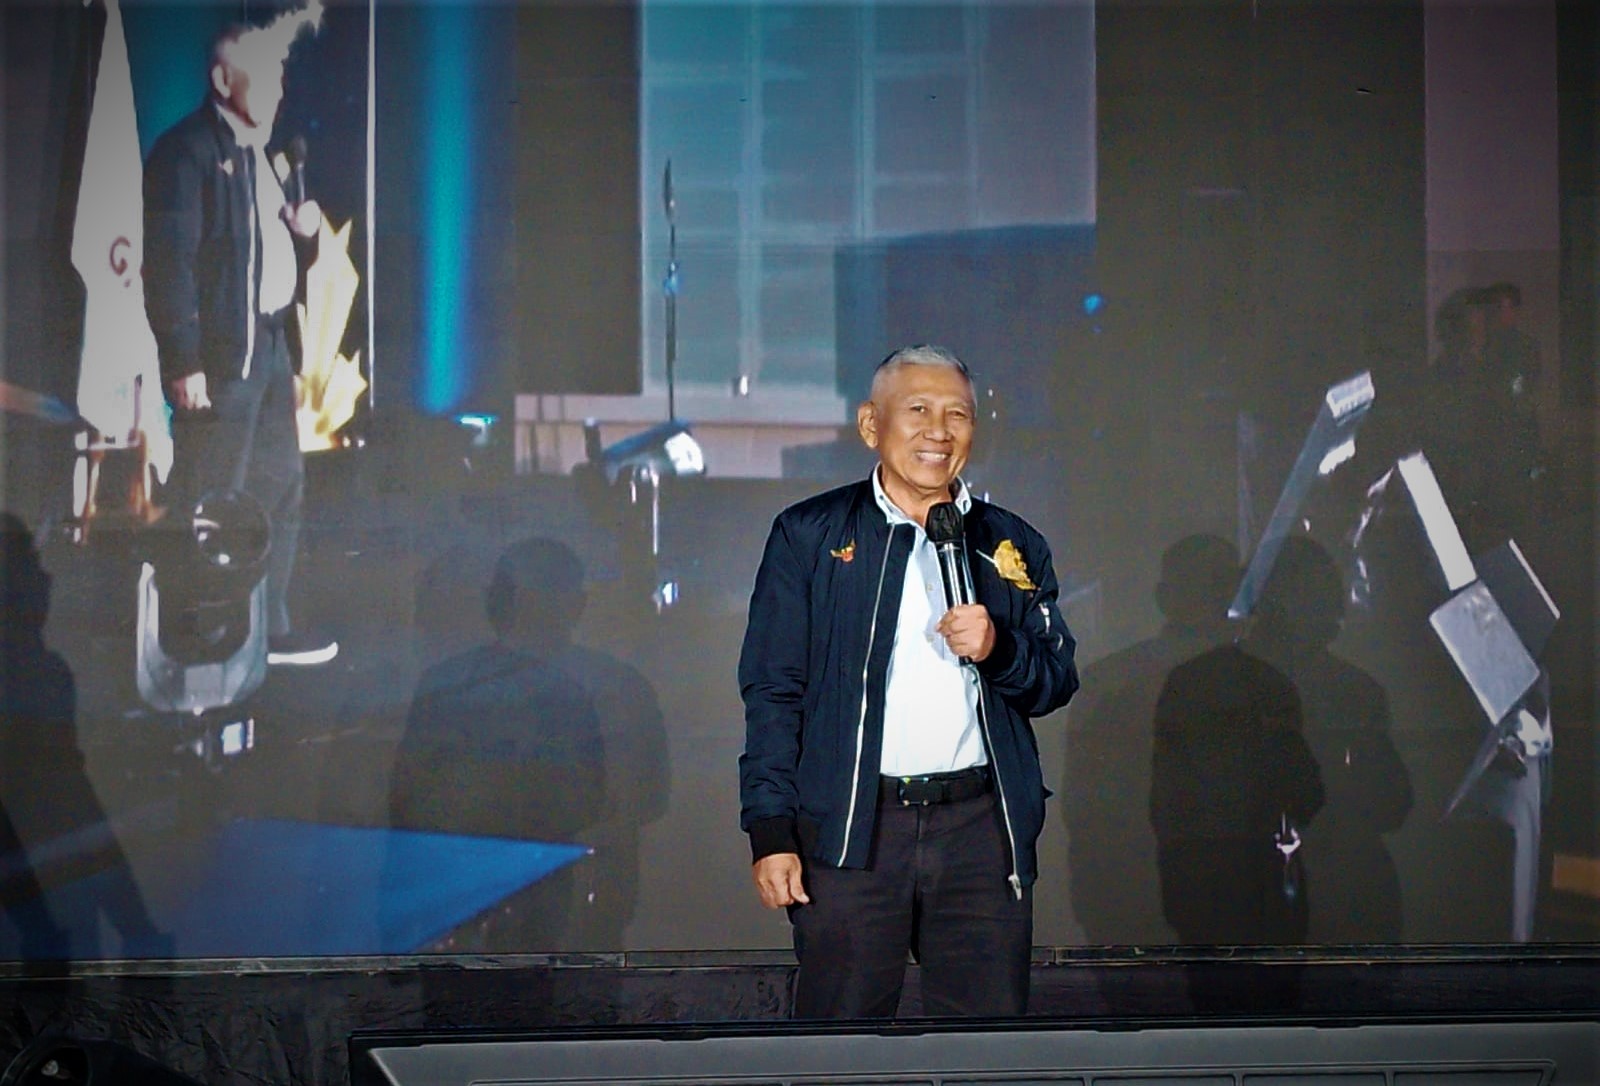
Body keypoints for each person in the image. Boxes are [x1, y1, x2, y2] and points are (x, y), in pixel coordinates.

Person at [738, 344, 1079, 1018]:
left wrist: (998, 648)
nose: (939, 432)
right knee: (843, 1039)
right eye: (918, 410)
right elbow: (773, 692)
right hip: (854, 831)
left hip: (979, 830)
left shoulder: (1010, 543)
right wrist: (771, 832)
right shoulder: (809, 535)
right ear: (872, 424)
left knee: (985, 1040)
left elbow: (1055, 680)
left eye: (958, 415)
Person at [143, 17, 334, 666]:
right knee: (215, 494)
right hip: (223, 355)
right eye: (267, 73)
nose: (279, 86)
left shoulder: (263, 157)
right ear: (225, 80)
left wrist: (304, 234)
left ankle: (266, 629)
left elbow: (269, 258)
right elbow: (169, 263)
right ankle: (201, 636)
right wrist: (184, 359)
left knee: (281, 483)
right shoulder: (186, 152)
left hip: (270, 346)